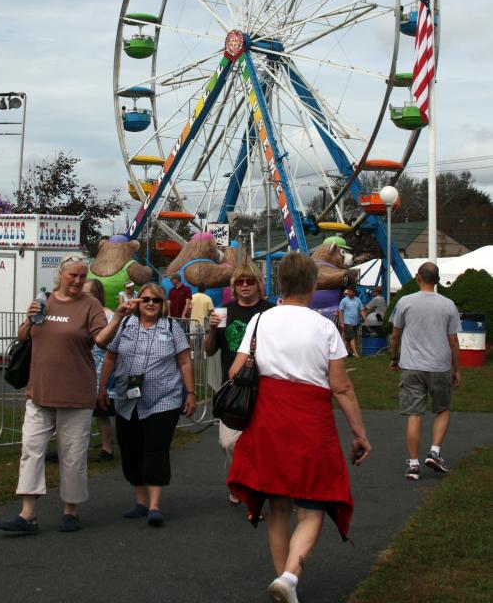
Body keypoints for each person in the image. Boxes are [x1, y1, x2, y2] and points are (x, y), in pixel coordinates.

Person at [227, 252, 371, 603]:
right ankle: (291, 575)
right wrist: (359, 433)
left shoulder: (259, 321)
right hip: (310, 421)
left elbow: (235, 373)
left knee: (277, 504)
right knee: (314, 503)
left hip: (268, 419)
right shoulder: (324, 327)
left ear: (278, 284)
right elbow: (341, 387)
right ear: (312, 285)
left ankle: (284, 578)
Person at [0, 254, 108, 535]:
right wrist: (29, 318)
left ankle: (71, 510)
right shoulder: (44, 300)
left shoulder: (90, 305)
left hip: (76, 395)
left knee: (72, 456)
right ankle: (27, 514)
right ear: (61, 275)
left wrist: (117, 317)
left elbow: (100, 339)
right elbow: (24, 336)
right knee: (31, 452)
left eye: (83, 276)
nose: (78, 281)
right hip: (39, 392)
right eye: (73, 275)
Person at [95, 283, 196, 526]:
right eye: (146, 299)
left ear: (163, 305)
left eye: (156, 300)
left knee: (155, 449)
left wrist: (190, 392)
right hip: (127, 400)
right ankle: (140, 501)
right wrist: (102, 387)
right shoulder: (125, 325)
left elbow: (184, 361)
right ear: (138, 302)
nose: (151, 303)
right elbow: (110, 356)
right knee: (130, 450)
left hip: (164, 400)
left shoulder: (172, 327)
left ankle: (154, 505)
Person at [205, 263, 273, 505]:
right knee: (228, 442)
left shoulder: (270, 312)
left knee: (260, 443)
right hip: (232, 387)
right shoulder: (225, 311)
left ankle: (251, 486)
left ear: (258, 284)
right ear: (234, 286)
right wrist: (212, 329)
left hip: (263, 386)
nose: (245, 286)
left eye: (250, 281)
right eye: (240, 282)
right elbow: (210, 350)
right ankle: (240, 478)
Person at [389, 261, 462, 480]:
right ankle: (434, 451)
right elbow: (454, 342)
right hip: (440, 366)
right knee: (443, 409)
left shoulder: (405, 302)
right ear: (437, 279)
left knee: (414, 413)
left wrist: (394, 357)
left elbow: (395, 334)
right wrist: (456, 369)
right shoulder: (448, 305)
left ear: (419, 277)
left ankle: (413, 464)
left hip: (412, 366)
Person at [83, 278, 116, 462]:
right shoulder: (80, 313)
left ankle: (107, 447)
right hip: (80, 372)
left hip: (100, 371)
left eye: (87, 293)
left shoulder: (108, 316)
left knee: (101, 412)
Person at [338, 285, 365, 358]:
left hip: (355, 323)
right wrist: (341, 322)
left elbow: (361, 310)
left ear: (353, 292)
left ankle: (345, 354)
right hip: (347, 322)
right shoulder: (344, 300)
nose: (348, 293)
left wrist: (365, 319)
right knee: (352, 338)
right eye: (347, 292)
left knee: (347, 339)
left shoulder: (358, 300)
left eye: (349, 292)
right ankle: (356, 354)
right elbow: (340, 311)